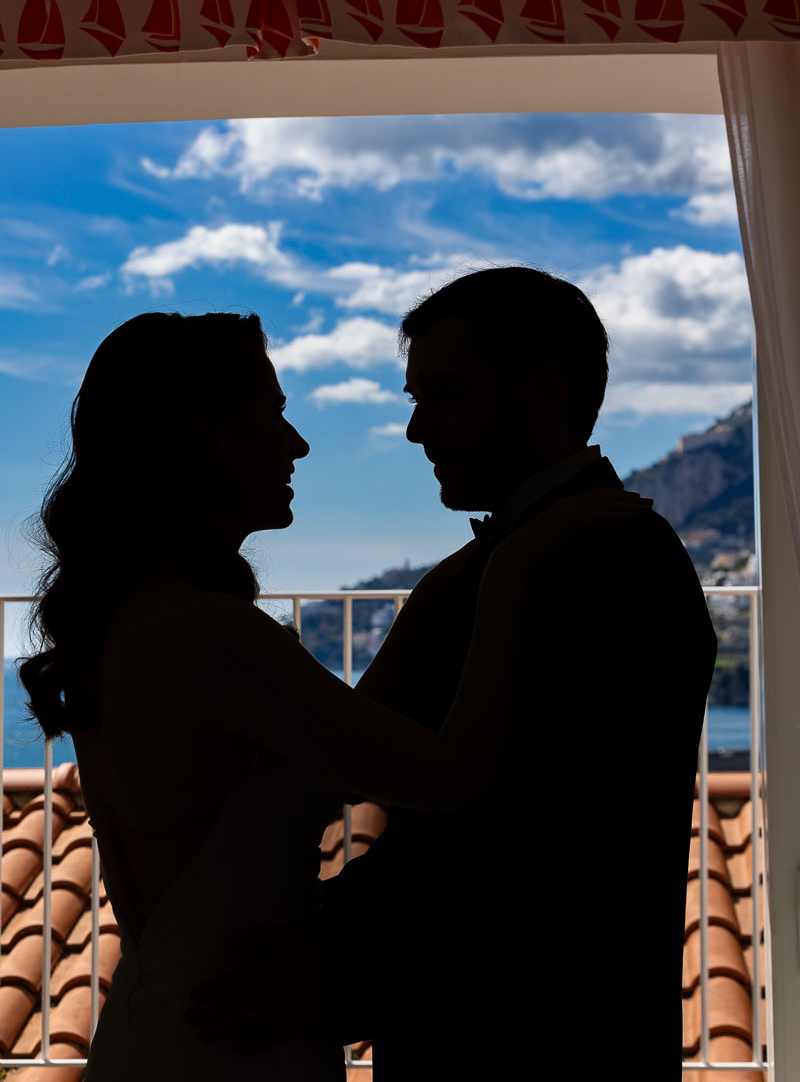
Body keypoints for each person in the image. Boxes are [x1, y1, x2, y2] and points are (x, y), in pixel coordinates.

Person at [18, 308, 650, 1082]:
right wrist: (514, 570)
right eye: (275, 414)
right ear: (212, 434)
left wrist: (473, 566)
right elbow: (460, 779)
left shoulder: (153, 618)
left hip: (189, 1024)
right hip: (226, 1046)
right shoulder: (207, 632)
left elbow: (347, 748)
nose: (298, 443)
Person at [190, 268, 717, 1078]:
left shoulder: (593, 563)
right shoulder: (513, 561)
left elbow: (518, 860)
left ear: (544, 391)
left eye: (441, 393)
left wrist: (314, 964)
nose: (414, 430)